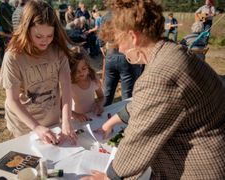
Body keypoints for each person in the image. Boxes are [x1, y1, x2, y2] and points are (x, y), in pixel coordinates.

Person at [82, 0, 225, 179]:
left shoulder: (160, 74)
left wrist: (109, 176)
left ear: (133, 37)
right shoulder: (172, 52)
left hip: (199, 169)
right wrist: (112, 122)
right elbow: (148, 102)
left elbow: (138, 140)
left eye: (118, 43)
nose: (120, 49)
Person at [0, 0, 77, 145]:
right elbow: (12, 100)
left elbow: (66, 89)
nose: (45, 41)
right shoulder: (13, 56)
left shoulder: (58, 51)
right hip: (24, 123)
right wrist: (36, 127)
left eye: (49, 36)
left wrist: (66, 121)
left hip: (51, 119)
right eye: (38, 36)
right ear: (26, 30)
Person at [70, 47, 104, 121]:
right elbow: (61, 107)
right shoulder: (70, 85)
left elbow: (101, 97)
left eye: (84, 68)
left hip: (92, 116)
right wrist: (75, 115)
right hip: (76, 120)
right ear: (71, 71)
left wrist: (99, 105)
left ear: (88, 68)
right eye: (77, 70)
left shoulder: (93, 80)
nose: (81, 73)